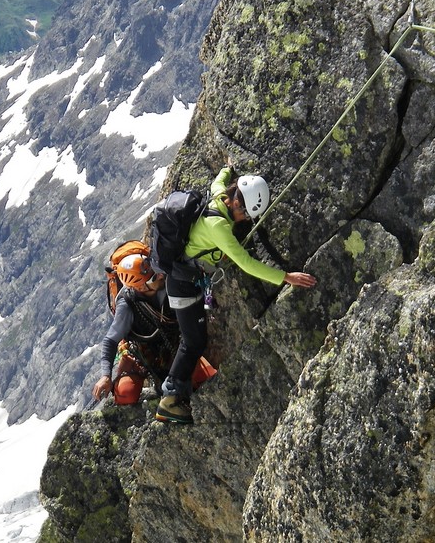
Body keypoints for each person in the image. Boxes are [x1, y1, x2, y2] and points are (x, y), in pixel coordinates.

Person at [155, 163, 317, 424]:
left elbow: (217, 183)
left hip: (184, 281)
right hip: (183, 285)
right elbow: (245, 262)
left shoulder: (219, 197)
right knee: (193, 341)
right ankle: (170, 398)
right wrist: (286, 277)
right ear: (237, 204)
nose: (245, 220)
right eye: (246, 214)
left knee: (194, 339)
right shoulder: (218, 226)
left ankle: (175, 394)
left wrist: (227, 170)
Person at [92, 252, 177, 405]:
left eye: (156, 271)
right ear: (140, 287)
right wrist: (106, 375)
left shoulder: (167, 281)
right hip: (141, 349)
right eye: (153, 277)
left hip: (175, 339)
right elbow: (111, 340)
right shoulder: (127, 304)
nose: (160, 276)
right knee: (126, 393)